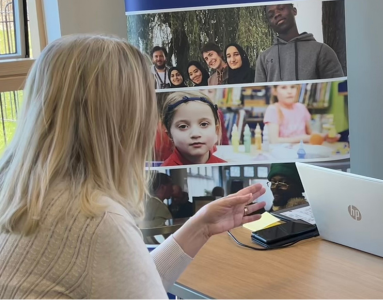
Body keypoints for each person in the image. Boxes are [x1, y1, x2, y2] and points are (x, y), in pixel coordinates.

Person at [0, 34, 267, 298]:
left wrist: (201, 226)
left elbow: (128, 283)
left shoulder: (19, 186)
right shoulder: (97, 220)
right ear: (122, 117)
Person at [255, 4, 345, 82]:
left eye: (281, 8)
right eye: (271, 15)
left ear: (294, 11)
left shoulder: (322, 51)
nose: (277, 14)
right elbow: (258, 98)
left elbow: (338, 93)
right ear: (270, 24)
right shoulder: (263, 58)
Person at [161, 91, 226, 166]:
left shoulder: (224, 165)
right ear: (170, 135)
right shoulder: (165, 170)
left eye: (204, 124)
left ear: (216, 130)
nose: (195, 134)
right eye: (183, 126)